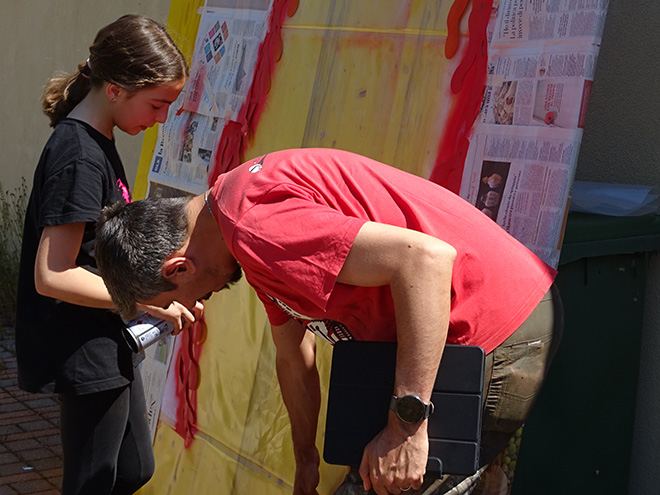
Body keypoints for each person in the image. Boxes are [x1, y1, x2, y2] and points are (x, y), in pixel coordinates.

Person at [94, 148, 563, 495]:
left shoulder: (256, 227)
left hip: (495, 328)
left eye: (184, 299)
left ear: (178, 268)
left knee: (387, 480)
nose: (200, 304)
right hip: (487, 324)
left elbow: (425, 261)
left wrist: (406, 428)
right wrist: (305, 462)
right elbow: (292, 352)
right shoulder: (234, 217)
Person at [14, 14, 201, 495]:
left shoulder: (98, 142)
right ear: (116, 88)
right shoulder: (77, 155)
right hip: (81, 343)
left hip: (104, 335)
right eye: (157, 104)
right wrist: (145, 300)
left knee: (134, 469)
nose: (161, 119)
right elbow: (52, 274)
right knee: (93, 482)